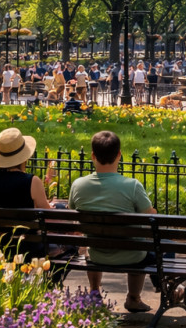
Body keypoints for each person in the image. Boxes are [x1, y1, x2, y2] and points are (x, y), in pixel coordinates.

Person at [68, 131, 160, 313]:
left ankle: (95, 292)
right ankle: (134, 297)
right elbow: (151, 216)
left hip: (96, 254)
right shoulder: (132, 185)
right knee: (155, 245)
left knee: (94, 239)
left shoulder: (78, 185)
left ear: (93, 156)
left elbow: (73, 215)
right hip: (132, 256)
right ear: (119, 154)